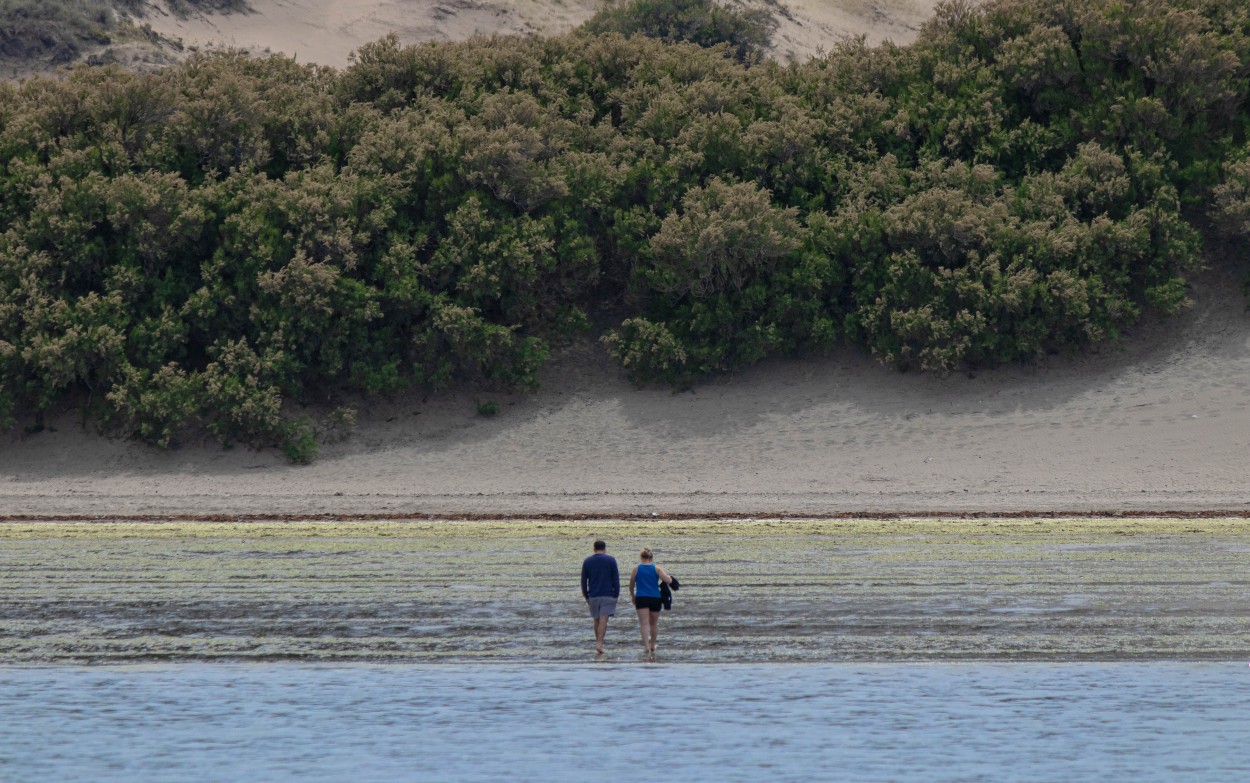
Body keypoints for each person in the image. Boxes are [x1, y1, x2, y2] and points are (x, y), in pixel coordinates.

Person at [629, 547, 673, 658]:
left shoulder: (636, 569)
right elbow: (667, 580)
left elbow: (631, 584)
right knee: (653, 623)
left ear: (641, 557)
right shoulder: (657, 569)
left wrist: (632, 595)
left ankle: (646, 647)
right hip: (655, 598)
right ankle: (653, 644)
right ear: (651, 558)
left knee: (644, 623)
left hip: (641, 597)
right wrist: (671, 579)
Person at [581, 540, 620, 655]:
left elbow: (584, 580)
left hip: (593, 594)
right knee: (603, 620)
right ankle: (599, 643)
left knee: (596, 619)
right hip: (608, 594)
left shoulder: (587, 561)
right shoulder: (611, 560)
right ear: (604, 548)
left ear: (594, 548)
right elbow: (615, 579)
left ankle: (598, 643)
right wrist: (616, 594)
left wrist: (586, 595)